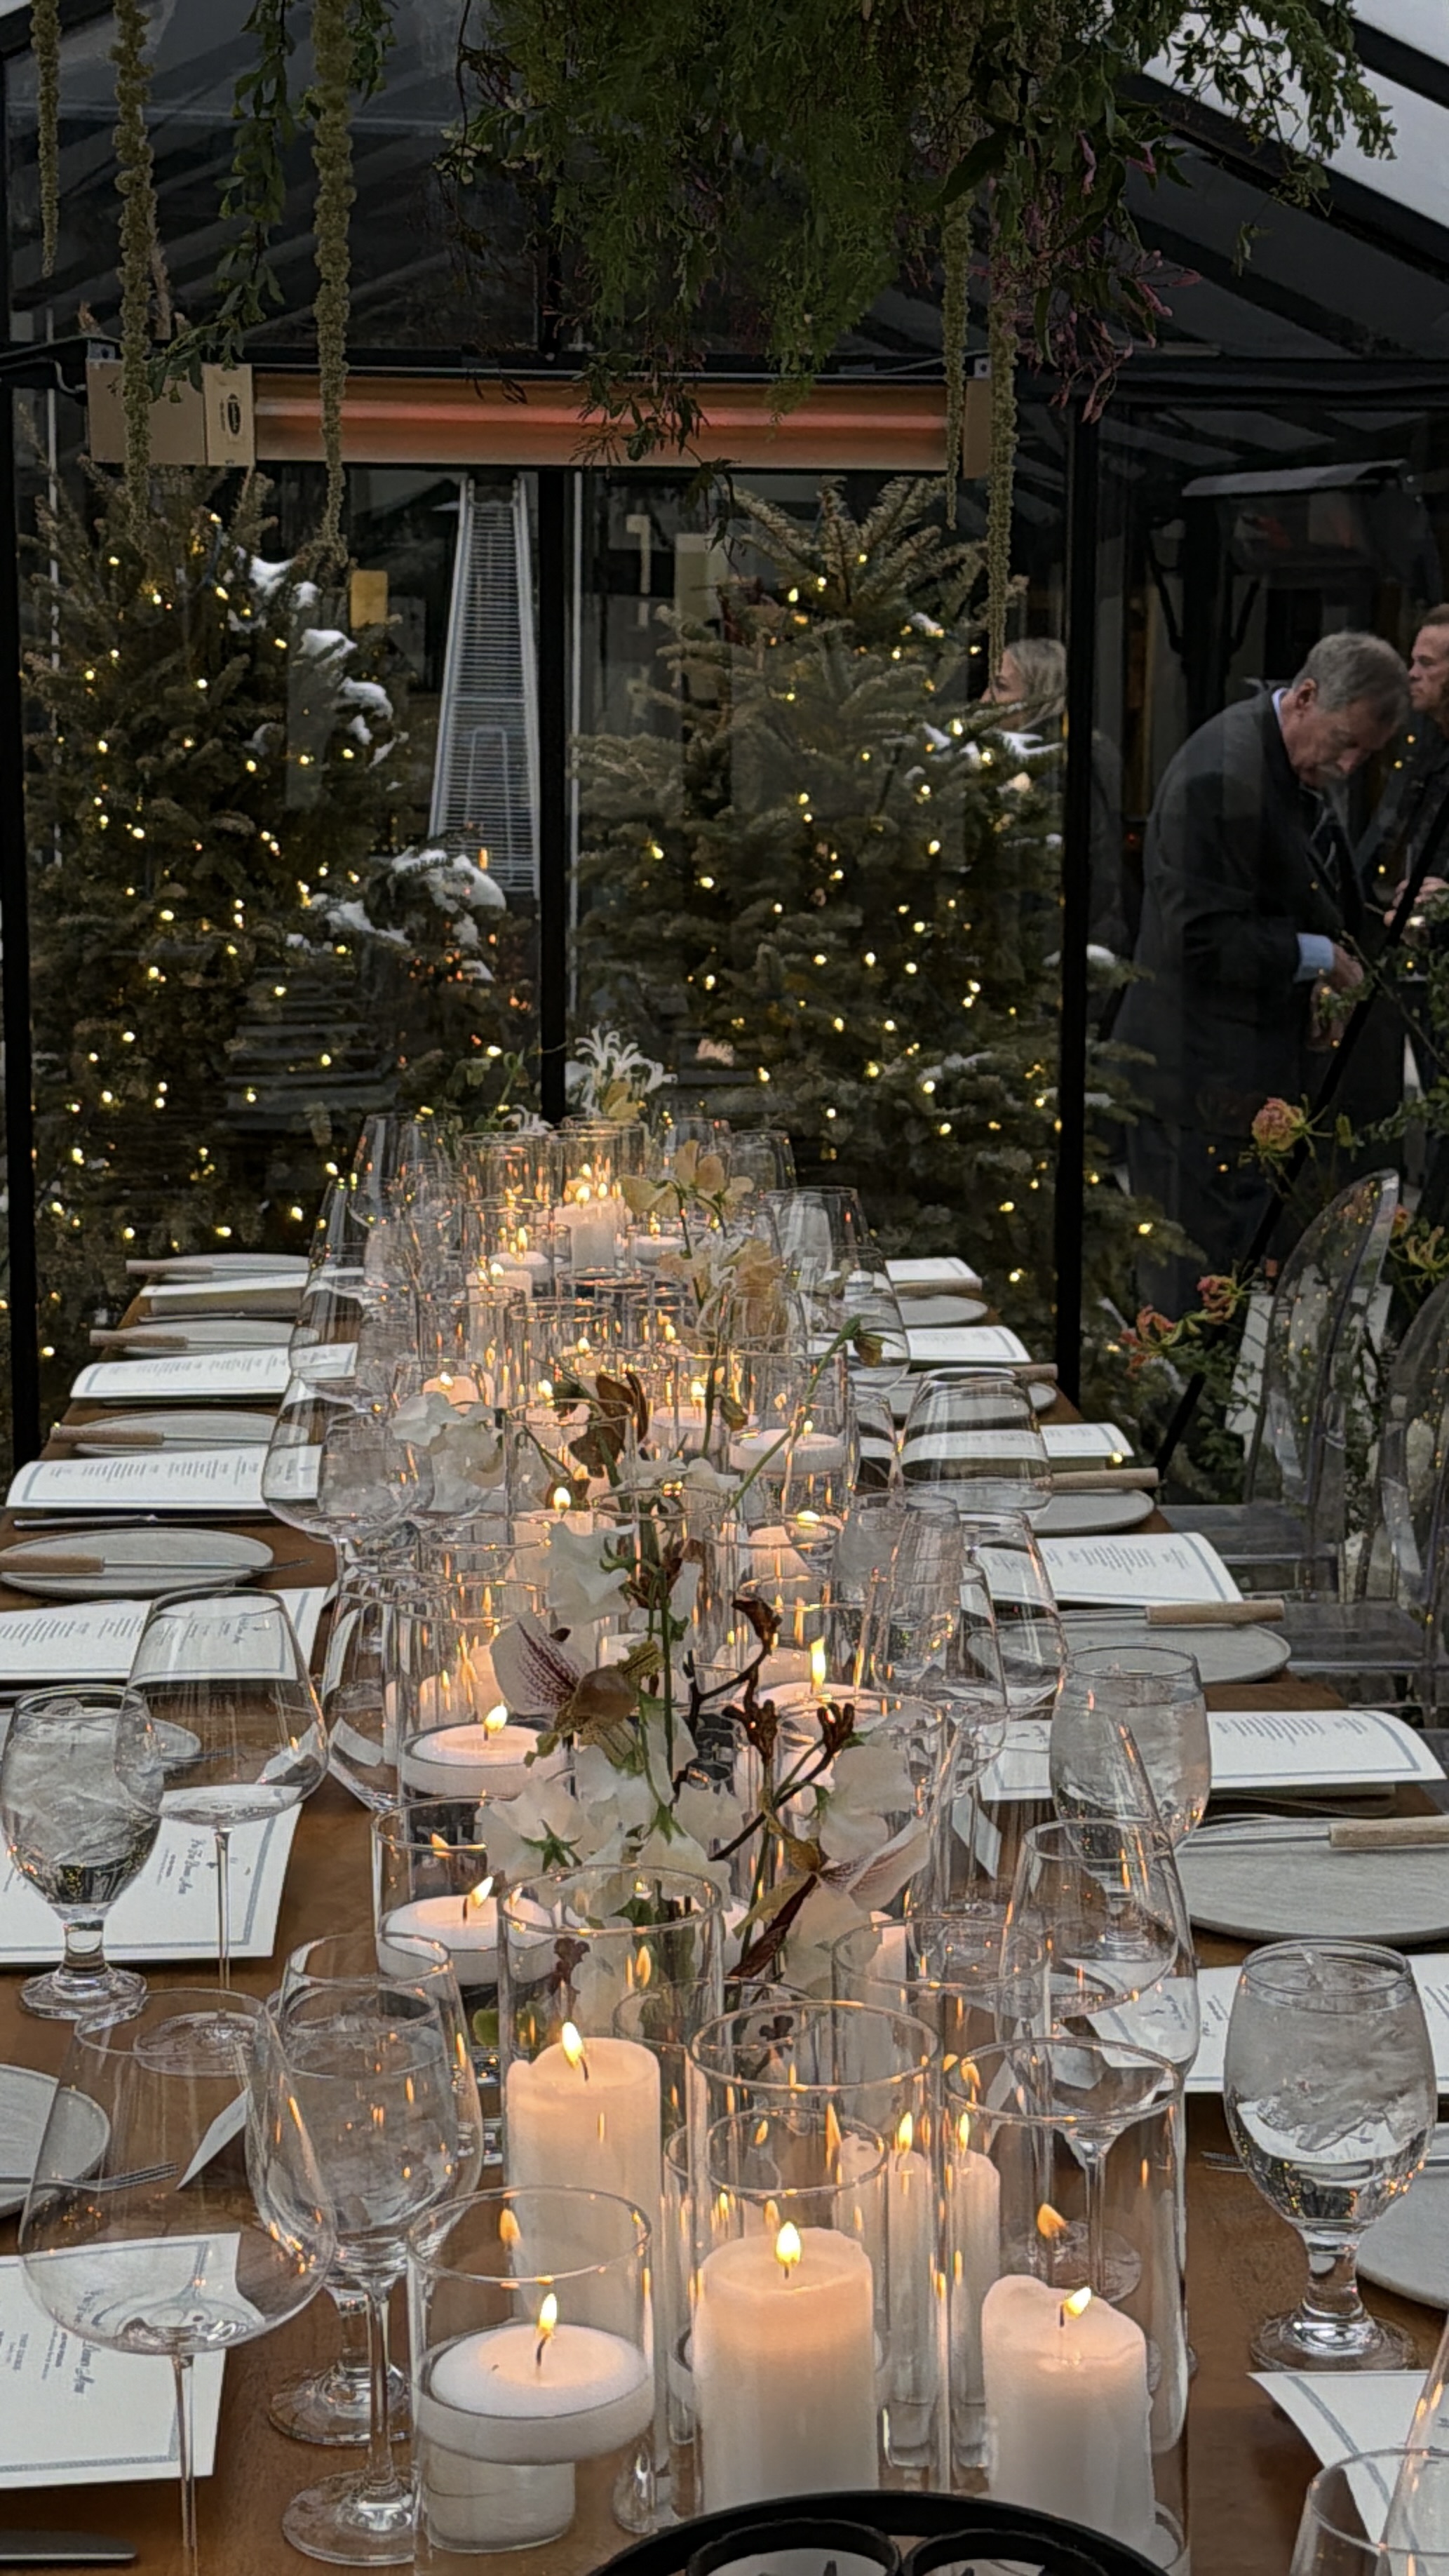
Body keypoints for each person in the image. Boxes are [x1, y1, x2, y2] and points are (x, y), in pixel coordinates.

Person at [1117, 630, 1410, 1313]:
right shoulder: (1225, 774)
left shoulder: (1281, 764)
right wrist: (1318, 959)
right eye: (1345, 742)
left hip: (1233, 1076)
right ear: (1305, 697)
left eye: (1365, 755)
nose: (1348, 764)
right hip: (1197, 1077)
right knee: (1192, 1295)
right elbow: (1199, 936)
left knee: (1224, 1286)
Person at [984, 637, 1128, 955]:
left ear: (1039, 697)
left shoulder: (1050, 772)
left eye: (1001, 687)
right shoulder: (1052, 763)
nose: (985, 700)